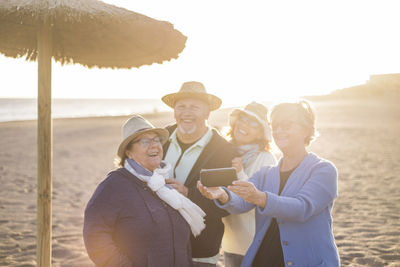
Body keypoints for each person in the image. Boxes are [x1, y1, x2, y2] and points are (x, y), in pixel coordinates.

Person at [198, 99, 340, 267]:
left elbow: (302, 208)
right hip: (263, 260)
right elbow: (242, 202)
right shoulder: (266, 173)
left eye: (286, 125)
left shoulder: (323, 169)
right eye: (275, 126)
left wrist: (261, 198)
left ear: (306, 130)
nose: (279, 131)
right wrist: (223, 195)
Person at [83, 115, 206, 267]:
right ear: (128, 152)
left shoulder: (164, 185)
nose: (154, 145)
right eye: (145, 141)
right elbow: (95, 237)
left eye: (156, 140)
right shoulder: (114, 185)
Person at [161, 81, 237, 267]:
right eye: (181, 107)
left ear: (207, 113)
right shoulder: (160, 139)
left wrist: (188, 193)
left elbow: (225, 205)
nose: (186, 112)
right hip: (158, 245)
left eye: (194, 107)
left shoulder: (224, 150)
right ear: (174, 111)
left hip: (200, 249)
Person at [222, 102, 276, 267]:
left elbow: (260, 198)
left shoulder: (266, 159)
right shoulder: (223, 151)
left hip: (255, 240)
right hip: (230, 239)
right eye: (243, 119)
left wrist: (239, 172)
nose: (245, 125)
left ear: (261, 133)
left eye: (254, 124)